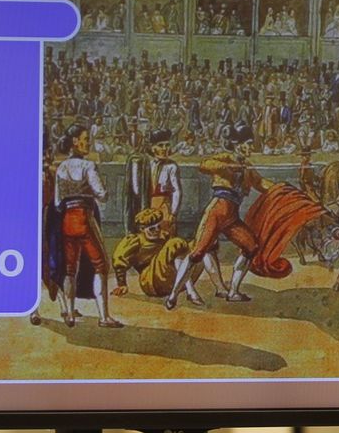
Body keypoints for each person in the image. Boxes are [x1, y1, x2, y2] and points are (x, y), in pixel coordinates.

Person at [165, 122, 262, 308]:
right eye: (249, 143)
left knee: (251, 246)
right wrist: (227, 167)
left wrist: (282, 189)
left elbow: (262, 184)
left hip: (231, 218)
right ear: (238, 144)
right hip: (216, 212)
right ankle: (173, 295)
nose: (251, 148)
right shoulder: (226, 157)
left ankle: (233, 291)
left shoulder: (248, 167)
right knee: (197, 253)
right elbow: (205, 164)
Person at [53, 125, 122, 327]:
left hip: (67, 221)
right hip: (84, 219)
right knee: (101, 265)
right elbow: (101, 193)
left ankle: (70, 314)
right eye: (85, 139)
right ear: (75, 141)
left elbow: (58, 202)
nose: (88, 143)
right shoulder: (88, 166)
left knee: (70, 268)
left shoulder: (61, 168)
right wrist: (98, 194)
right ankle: (104, 316)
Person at [112, 206, 204, 303]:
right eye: (152, 229)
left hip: (170, 278)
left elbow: (179, 255)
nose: (156, 230)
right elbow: (119, 260)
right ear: (142, 229)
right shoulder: (136, 240)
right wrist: (122, 284)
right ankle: (190, 291)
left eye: (158, 227)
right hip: (150, 281)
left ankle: (186, 285)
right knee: (175, 243)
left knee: (199, 245)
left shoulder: (164, 235)